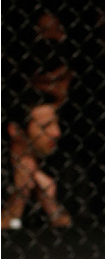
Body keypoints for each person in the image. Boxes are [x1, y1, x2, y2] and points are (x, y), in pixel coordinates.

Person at [1, 90, 71, 229]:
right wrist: (19, 195)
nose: (57, 133)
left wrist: (51, 205)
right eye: (45, 126)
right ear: (16, 131)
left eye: (56, 124)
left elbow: (80, 227)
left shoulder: (64, 166)